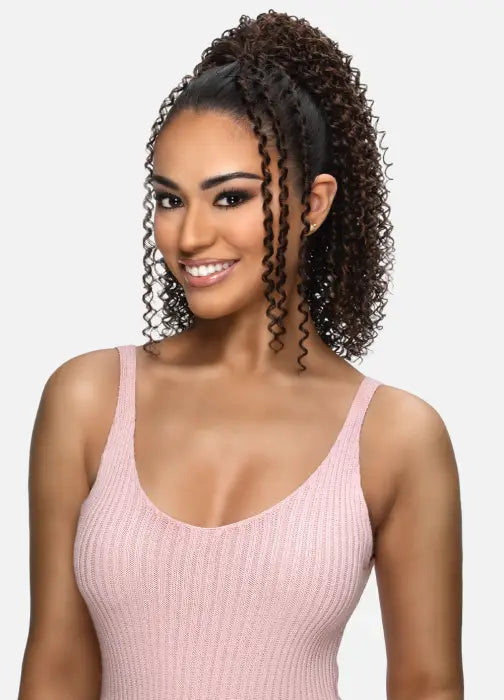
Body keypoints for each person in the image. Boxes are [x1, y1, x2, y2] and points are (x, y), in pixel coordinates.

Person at [18, 10, 463, 700]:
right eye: (170, 200)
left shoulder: (394, 437)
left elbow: (427, 684)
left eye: (230, 197)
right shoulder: (88, 399)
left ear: (314, 204)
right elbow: (56, 666)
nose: (190, 236)